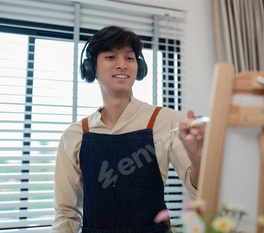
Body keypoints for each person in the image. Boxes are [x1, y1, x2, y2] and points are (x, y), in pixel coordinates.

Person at [50, 26, 204, 233]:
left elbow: (199, 194)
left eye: (129, 58)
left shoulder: (166, 121)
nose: (122, 65)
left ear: (139, 68)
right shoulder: (75, 135)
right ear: (91, 67)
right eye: (111, 57)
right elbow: (66, 214)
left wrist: (197, 158)